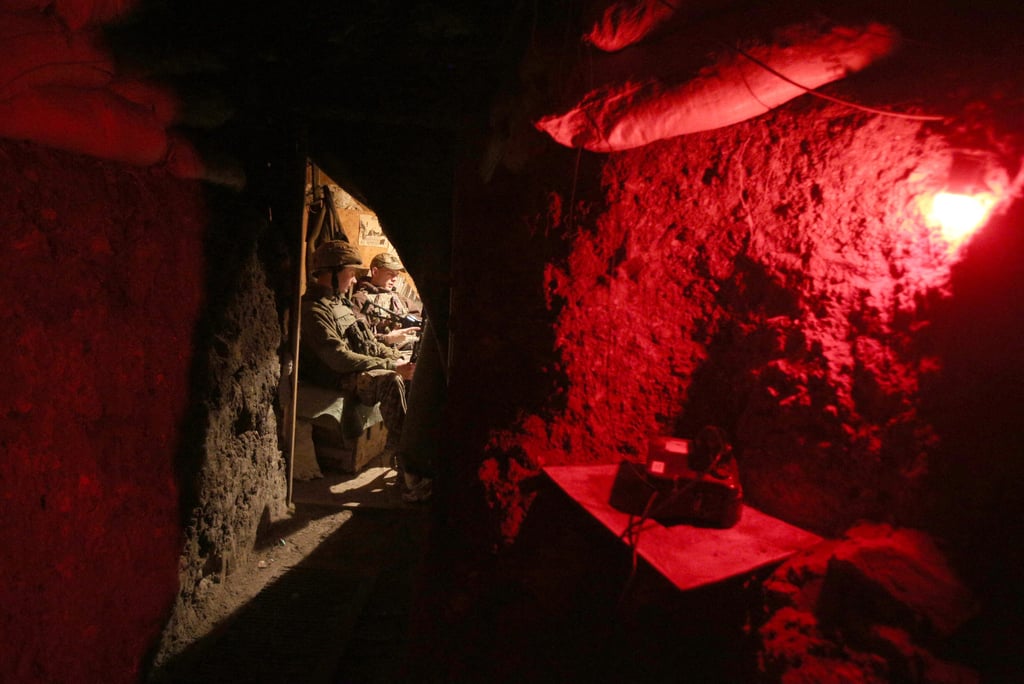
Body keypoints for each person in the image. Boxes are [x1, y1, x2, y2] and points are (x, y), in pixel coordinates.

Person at [299, 240, 430, 502]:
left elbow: (367, 341)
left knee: (411, 375)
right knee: (391, 381)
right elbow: (338, 358)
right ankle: (407, 469)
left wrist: (392, 352)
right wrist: (391, 366)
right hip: (337, 376)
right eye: (349, 273)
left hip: (351, 369)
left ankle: (415, 448)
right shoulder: (313, 310)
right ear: (332, 272)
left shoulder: (340, 304)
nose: (352, 279)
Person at [352, 252, 421, 351]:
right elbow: (360, 339)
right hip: (378, 353)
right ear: (375, 271)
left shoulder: (399, 298)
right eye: (390, 274)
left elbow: (419, 320)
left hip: (405, 349)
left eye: (397, 275)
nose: (395, 279)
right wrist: (387, 338)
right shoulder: (360, 299)